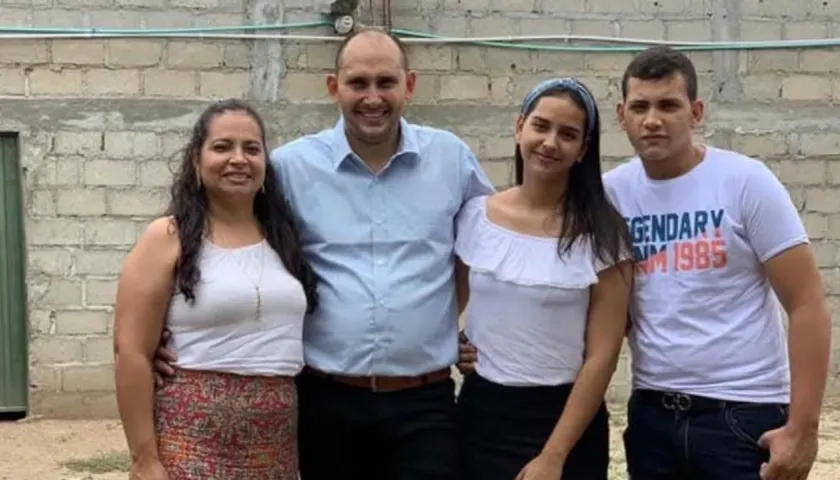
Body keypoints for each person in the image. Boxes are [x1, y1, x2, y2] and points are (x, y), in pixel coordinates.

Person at [153, 27, 495, 479]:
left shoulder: (451, 159)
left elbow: (489, 245)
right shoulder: (291, 169)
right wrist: (163, 330)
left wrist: (469, 324)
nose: (372, 97)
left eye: (385, 82)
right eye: (358, 83)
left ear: (409, 85)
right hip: (324, 402)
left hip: (423, 405)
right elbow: (228, 240)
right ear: (334, 87)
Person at [603, 46, 830, 479]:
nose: (653, 119)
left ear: (696, 111)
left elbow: (807, 304)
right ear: (622, 114)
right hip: (652, 414)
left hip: (742, 415)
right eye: (640, 106)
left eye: (669, 105)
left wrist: (803, 429)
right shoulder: (610, 195)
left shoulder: (745, 182)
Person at [113, 98, 319, 480]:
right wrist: (144, 460)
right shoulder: (167, 237)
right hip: (188, 447)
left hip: (274, 452)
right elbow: (131, 352)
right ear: (196, 160)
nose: (238, 159)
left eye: (251, 149)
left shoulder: (286, 239)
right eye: (222, 147)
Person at [453, 77, 634, 480]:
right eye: (541, 126)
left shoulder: (605, 235)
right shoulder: (475, 217)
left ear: (583, 149)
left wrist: (554, 456)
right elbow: (448, 305)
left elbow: (601, 356)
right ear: (520, 128)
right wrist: (453, 344)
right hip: (481, 417)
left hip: (565, 425)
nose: (550, 143)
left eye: (568, 134)